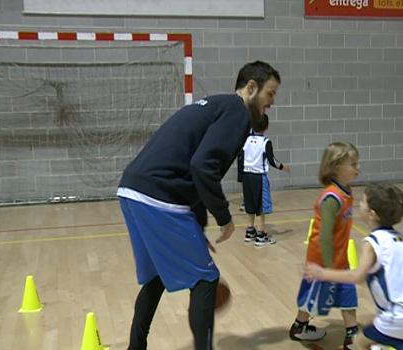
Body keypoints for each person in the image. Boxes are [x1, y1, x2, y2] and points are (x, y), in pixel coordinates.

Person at [117, 60, 281, 350]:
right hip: (159, 195)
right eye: (270, 93)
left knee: (156, 277)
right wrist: (223, 216)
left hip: (132, 189)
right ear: (251, 87)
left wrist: (198, 226)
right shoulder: (237, 112)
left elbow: (193, 170)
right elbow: (203, 166)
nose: (272, 102)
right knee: (206, 280)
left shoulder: (216, 106)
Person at [304, 183, 403, 350]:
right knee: (376, 334)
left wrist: (323, 273)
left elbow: (357, 277)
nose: (359, 204)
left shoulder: (373, 242)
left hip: (402, 316)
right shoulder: (401, 239)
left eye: (363, 202)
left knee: (358, 344)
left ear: (372, 214)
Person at [289, 142, 361, 350]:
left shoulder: (346, 190)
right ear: (335, 167)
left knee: (348, 296)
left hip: (339, 259)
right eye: (353, 164)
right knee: (310, 299)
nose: (358, 168)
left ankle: (351, 337)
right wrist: (327, 269)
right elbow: (325, 237)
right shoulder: (331, 197)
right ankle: (299, 327)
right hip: (322, 261)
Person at [241, 113, 290, 245]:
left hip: (247, 176)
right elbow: (272, 160)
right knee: (260, 207)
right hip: (259, 178)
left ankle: (250, 231)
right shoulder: (265, 142)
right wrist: (283, 167)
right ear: (267, 126)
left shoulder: (246, 140)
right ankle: (261, 236)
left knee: (249, 204)